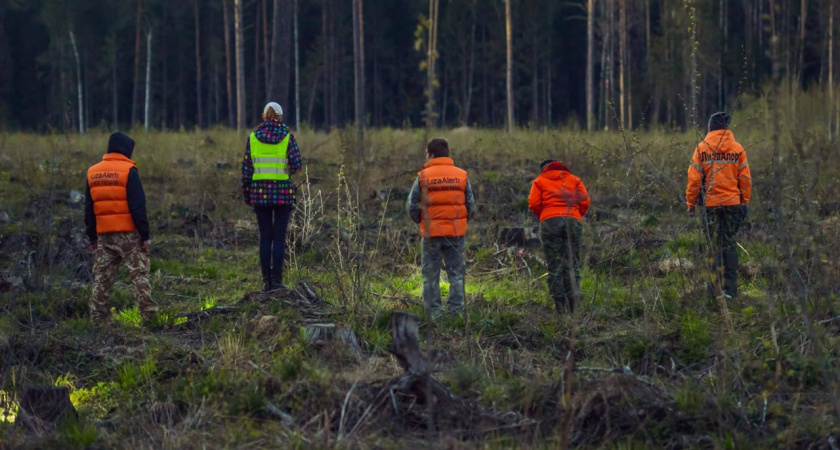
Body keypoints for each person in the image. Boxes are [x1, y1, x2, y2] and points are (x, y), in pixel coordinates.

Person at [85, 132, 157, 323]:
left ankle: (98, 318)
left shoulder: (93, 172)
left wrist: (92, 238)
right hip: (129, 236)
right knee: (138, 275)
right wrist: (145, 235)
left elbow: (89, 209)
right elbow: (138, 206)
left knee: (102, 278)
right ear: (126, 149)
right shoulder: (128, 170)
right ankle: (149, 316)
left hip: (103, 235)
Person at [686, 112, 751, 299]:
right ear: (726, 128)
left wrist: (691, 203)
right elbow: (745, 179)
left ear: (710, 128)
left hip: (710, 205)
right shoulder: (737, 149)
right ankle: (730, 292)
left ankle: (714, 292)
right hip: (733, 204)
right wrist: (744, 201)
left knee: (714, 246)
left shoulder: (701, 149)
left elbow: (693, 180)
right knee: (729, 244)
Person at [407, 138, 475, 318]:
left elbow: (411, 205)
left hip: (431, 234)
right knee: (456, 274)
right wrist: (461, 222)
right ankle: (456, 313)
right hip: (455, 233)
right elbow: (471, 204)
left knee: (430, 275)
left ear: (431, 154)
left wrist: (420, 221)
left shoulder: (422, 176)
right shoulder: (461, 175)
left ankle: (434, 314)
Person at [241, 102, 302, 291]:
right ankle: (277, 281)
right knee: (279, 237)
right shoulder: (287, 137)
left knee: (265, 237)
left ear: (263, 116)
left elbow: (246, 171)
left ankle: (266, 281)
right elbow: (296, 165)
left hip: (259, 194)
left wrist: (247, 194)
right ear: (280, 117)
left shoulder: (252, 138)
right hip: (283, 194)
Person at [528, 159, 590, 314]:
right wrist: (576, 215)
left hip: (550, 221)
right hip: (573, 220)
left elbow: (533, 203)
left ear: (543, 169)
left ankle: (560, 307)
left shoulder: (540, 181)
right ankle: (574, 307)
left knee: (554, 264)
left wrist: (545, 215)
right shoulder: (575, 180)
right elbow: (585, 201)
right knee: (572, 263)